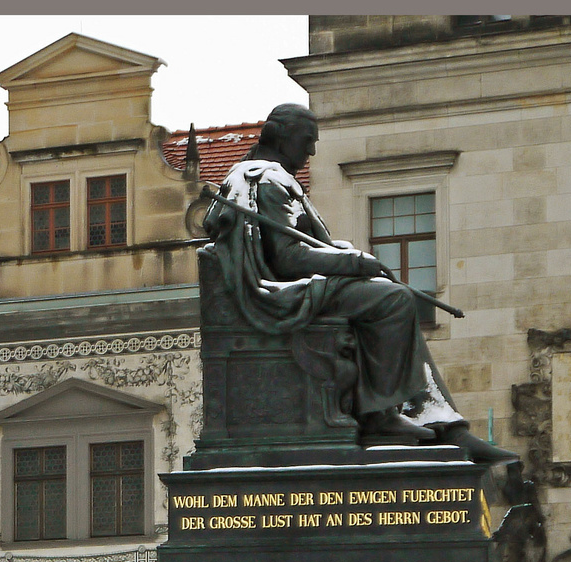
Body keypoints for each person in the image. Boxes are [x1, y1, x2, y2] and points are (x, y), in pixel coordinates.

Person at [203, 103, 511, 464]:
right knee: (392, 301)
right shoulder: (267, 179)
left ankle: (442, 425)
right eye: (307, 141)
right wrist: (354, 262)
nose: (311, 151)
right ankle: (381, 418)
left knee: (389, 299)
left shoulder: (264, 177)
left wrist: (345, 255)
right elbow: (288, 258)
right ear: (282, 137)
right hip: (276, 293)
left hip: (289, 286)